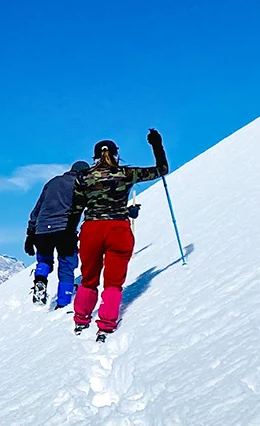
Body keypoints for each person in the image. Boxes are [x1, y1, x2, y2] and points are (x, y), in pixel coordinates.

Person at [68, 129, 170, 339]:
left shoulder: (83, 177)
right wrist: (156, 145)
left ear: (94, 157)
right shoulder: (127, 173)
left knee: (89, 278)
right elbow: (162, 169)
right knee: (113, 282)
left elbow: (76, 210)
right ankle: (106, 323)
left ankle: (81, 319)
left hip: (92, 230)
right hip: (119, 229)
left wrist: (70, 234)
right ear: (116, 154)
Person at [25, 160, 90, 308]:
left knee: (44, 261)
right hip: (65, 229)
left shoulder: (52, 182)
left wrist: (30, 233)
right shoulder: (82, 184)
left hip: (42, 230)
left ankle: (40, 280)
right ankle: (63, 302)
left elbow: (37, 209)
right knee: (66, 265)